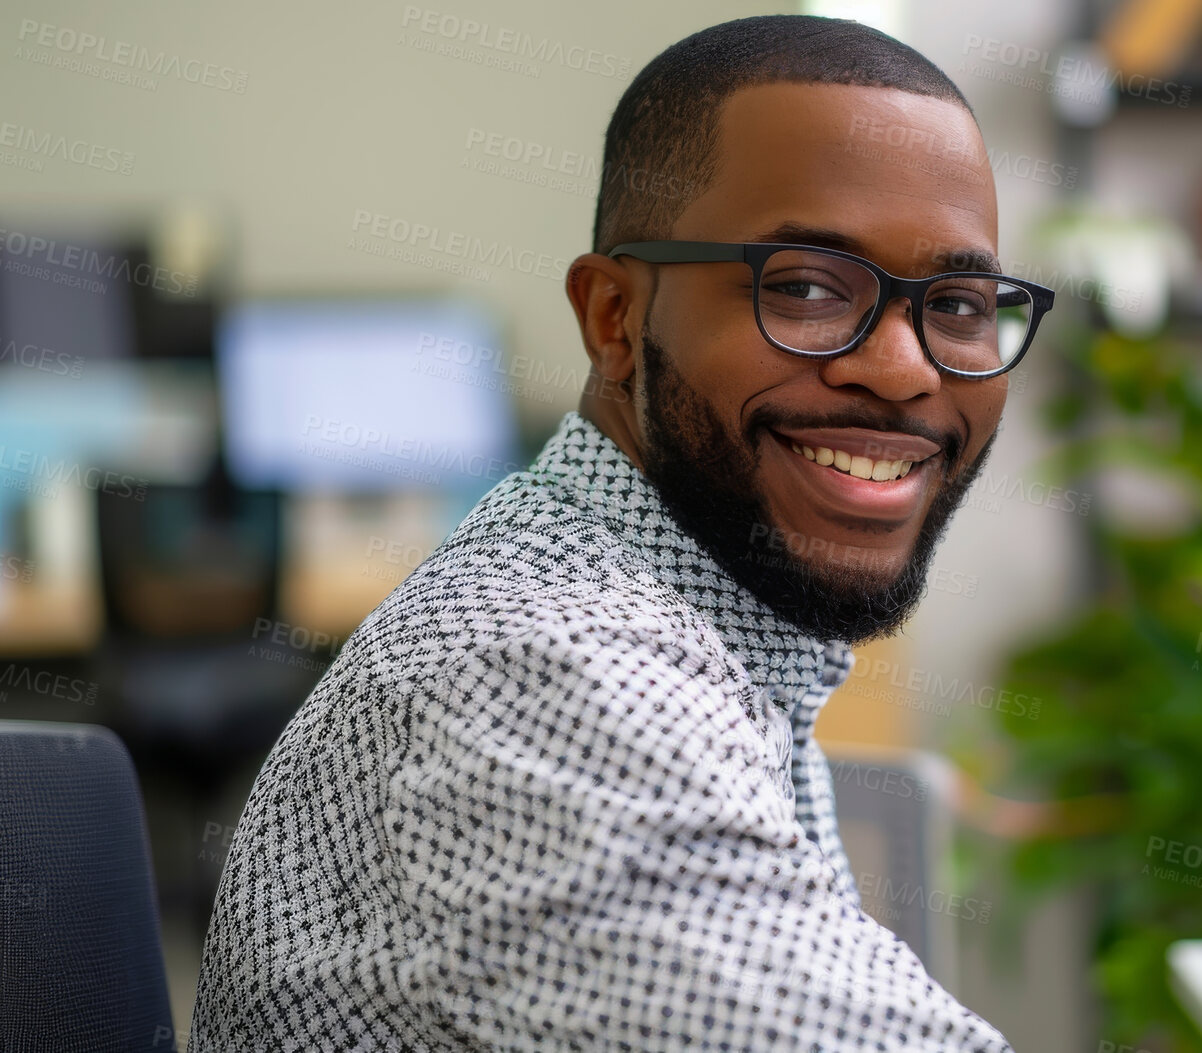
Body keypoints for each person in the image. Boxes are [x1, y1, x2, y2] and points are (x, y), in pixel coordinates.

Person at [189, 14, 1049, 1051]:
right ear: (611, 318)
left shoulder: (705, 623)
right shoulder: (560, 678)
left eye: (959, 304)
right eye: (808, 288)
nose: (906, 368)